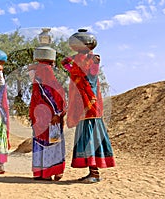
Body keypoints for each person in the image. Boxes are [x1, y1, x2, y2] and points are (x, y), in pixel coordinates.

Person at [61, 29, 115, 183]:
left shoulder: (92, 61)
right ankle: (92, 172)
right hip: (83, 106)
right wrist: (73, 60)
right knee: (87, 138)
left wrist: (77, 61)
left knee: (90, 139)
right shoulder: (78, 63)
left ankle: (95, 173)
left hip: (89, 105)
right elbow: (66, 65)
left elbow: (88, 76)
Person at [29, 45, 66, 181]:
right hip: (50, 117)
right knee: (53, 143)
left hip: (40, 117)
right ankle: (53, 171)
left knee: (43, 142)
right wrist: (58, 112)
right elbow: (52, 93)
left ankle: (41, 172)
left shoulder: (37, 72)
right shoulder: (45, 71)